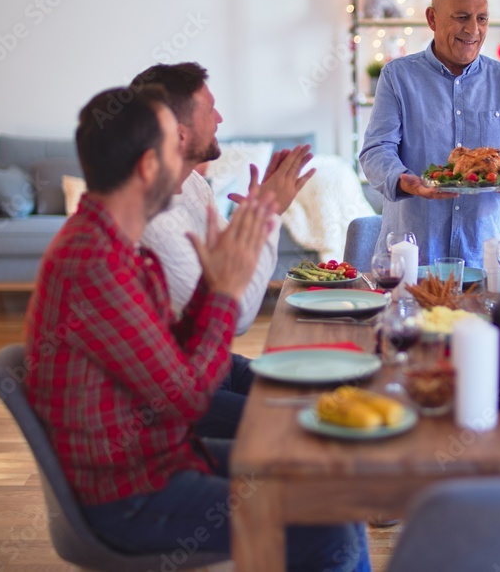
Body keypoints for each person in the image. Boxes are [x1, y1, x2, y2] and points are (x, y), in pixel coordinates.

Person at [25, 85, 370, 569]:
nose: (187, 158)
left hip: (164, 458)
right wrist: (225, 292)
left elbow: (173, 354)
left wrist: (213, 284)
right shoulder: (95, 263)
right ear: (149, 166)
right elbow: (185, 398)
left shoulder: (116, 245)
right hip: (131, 494)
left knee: (330, 483)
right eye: (173, 146)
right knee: (327, 529)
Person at [132, 62, 315, 439]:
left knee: (319, 394)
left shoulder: (194, 186)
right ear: (179, 134)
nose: (219, 118)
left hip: (209, 363)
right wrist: (267, 213)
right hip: (174, 389)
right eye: (208, 109)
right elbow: (236, 316)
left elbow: (221, 263)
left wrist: (251, 214)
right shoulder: (156, 221)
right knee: (298, 426)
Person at [359, 0, 500, 268]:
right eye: (461, 17)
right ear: (432, 19)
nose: (473, 30)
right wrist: (406, 182)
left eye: (482, 19)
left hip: (483, 261)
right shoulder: (398, 77)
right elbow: (375, 150)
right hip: (413, 260)